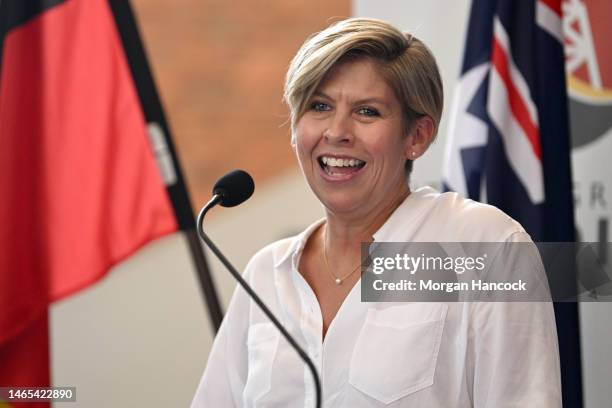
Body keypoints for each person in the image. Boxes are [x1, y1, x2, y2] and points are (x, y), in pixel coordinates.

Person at [191, 17, 561, 407]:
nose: (336, 131)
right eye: (319, 106)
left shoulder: (486, 246)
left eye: (367, 112)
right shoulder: (266, 273)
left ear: (416, 136)